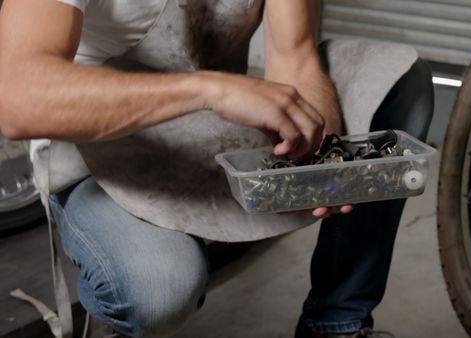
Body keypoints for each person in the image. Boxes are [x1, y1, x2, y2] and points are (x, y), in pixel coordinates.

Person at [0, 0, 434, 337]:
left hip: (219, 128)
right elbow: (17, 98)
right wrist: (208, 88)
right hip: (103, 150)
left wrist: (314, 168)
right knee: (157, 289)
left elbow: (295, 57)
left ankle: (336, 321)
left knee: (399, 81)